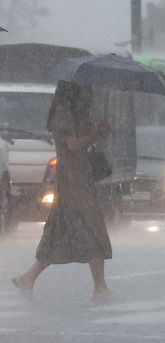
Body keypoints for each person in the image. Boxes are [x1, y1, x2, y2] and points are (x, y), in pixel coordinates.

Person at [12, 81, 112, 301]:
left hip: (79, 177)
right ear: (73, 90)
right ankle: (100, 286)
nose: (89, 94)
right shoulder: (64, 113)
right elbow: (73, 144)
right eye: (85, 90)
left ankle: (29, 277)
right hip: (72, 180)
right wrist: (96, 133)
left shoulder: (75, 113)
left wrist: (97, 131)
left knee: (58, 232)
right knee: (91, 228)